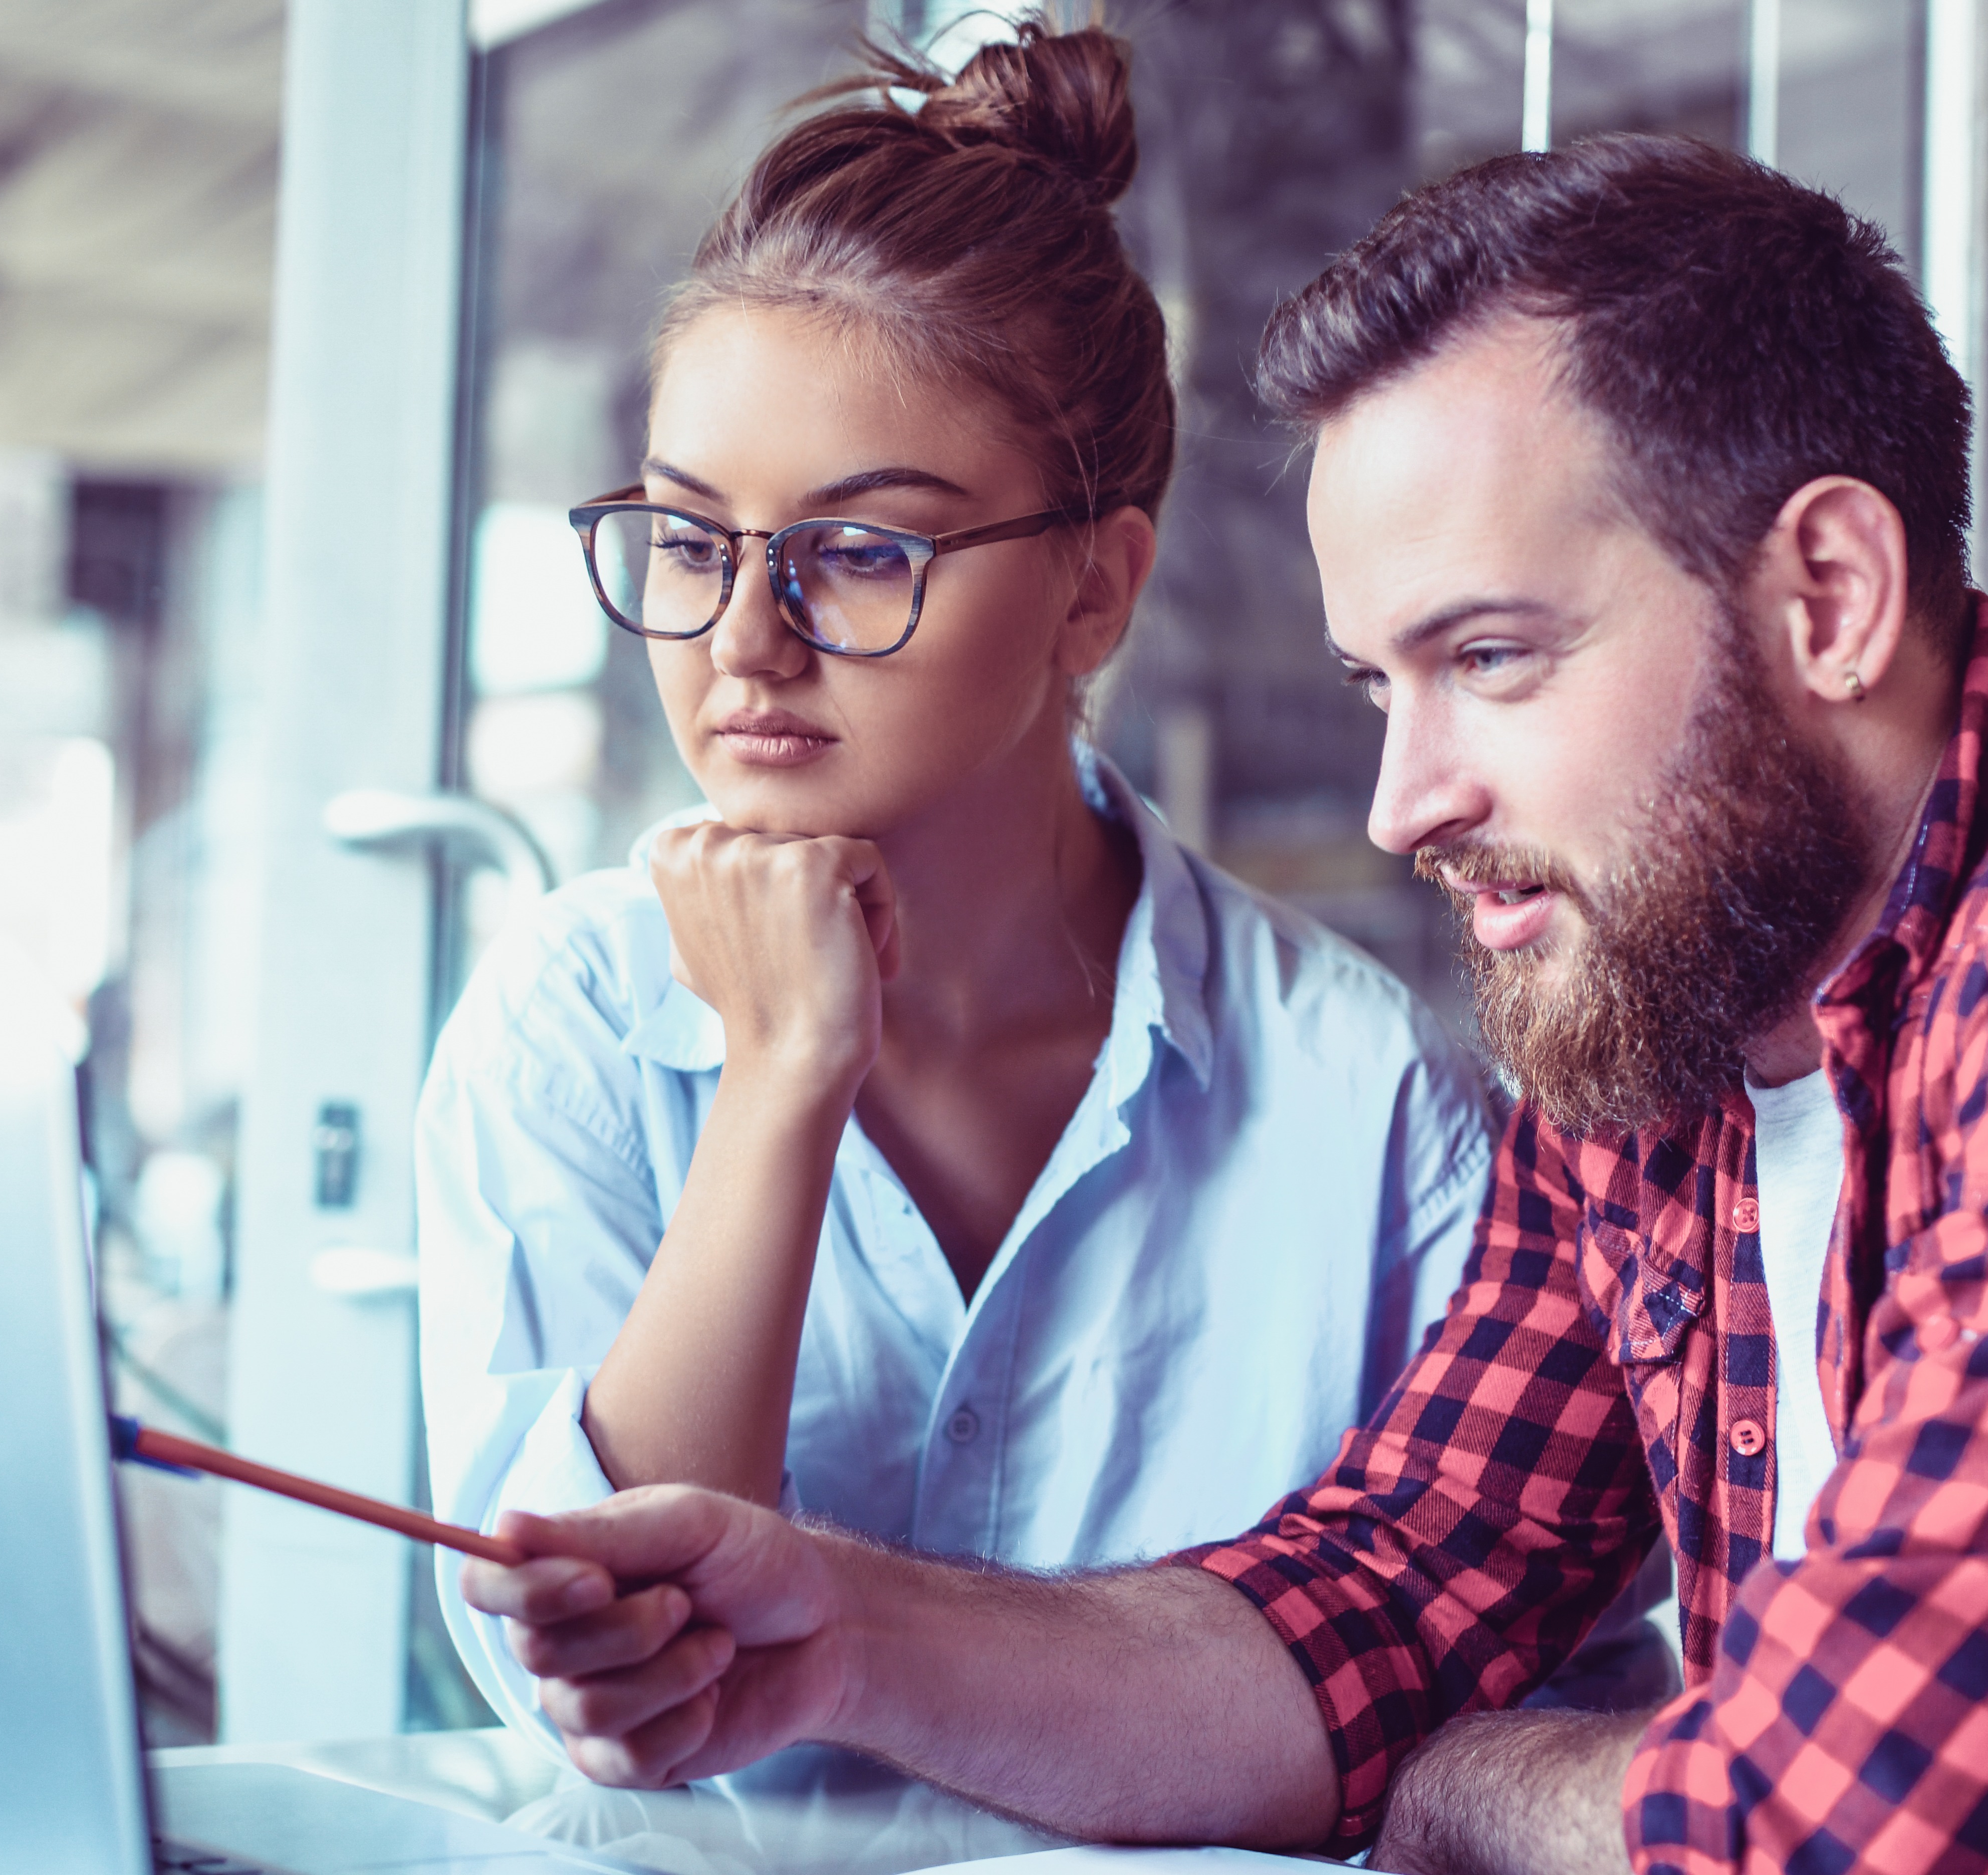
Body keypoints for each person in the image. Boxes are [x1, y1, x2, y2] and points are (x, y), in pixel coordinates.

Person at [454, 135, 1988, 1875]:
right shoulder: (1658, 1050)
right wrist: (829, 1636)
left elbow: (1832, 1838)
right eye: (1374, 685)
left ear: (1831, 595)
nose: (1414, 795)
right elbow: (1351, 1617)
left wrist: (1455, 1783)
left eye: (1491, 660)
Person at [414, 26, 1669, 1817]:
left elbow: (1511, 1717)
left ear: (1098, 586)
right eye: (691, 545)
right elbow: (603, 1694)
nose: (743, 646)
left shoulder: (1368, 1096)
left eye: (860, 553)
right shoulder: (570, 1022)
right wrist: (781, 1079)